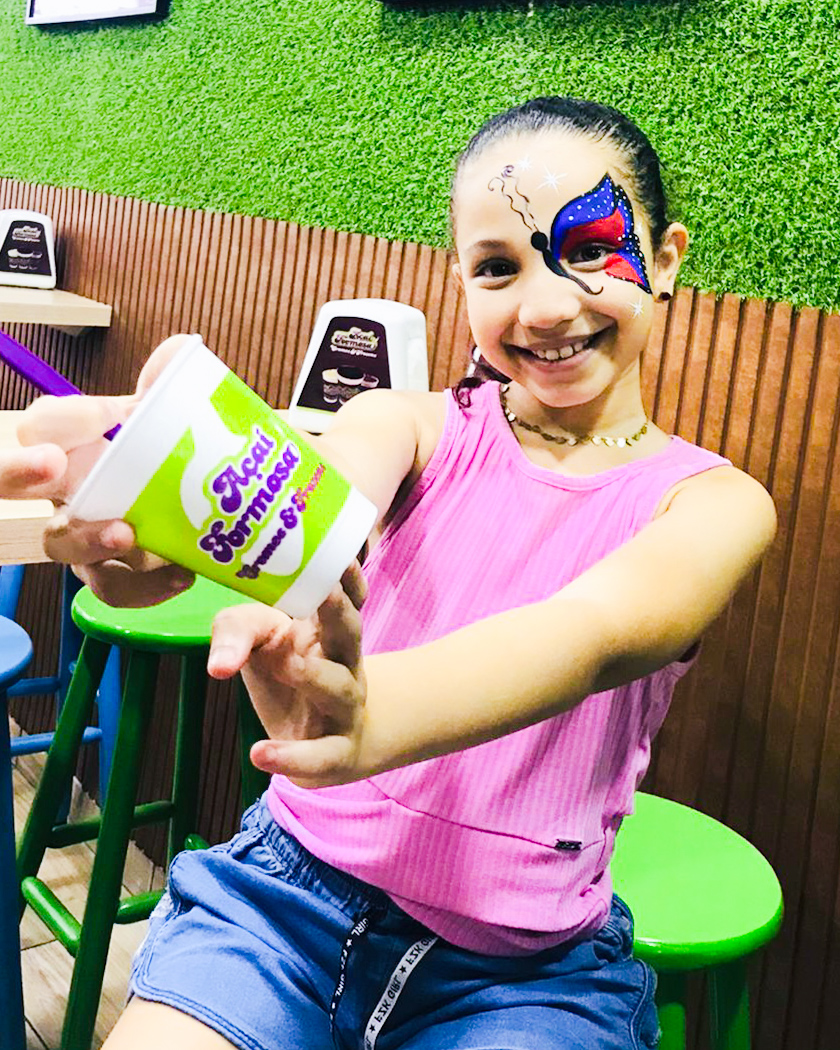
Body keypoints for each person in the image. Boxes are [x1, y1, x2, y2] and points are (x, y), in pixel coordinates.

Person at [3, 97, 776, 1050]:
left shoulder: (713, 503)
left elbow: (593, 633)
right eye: (498, 267)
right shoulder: (408, 423)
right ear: (463, 284)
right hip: (284, 903)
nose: (543, 306)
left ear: (665, 259)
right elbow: (312, 505)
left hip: (527, 975)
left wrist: (374, 717)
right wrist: (159, 517)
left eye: (590, 249)